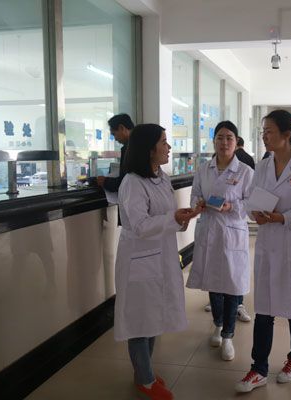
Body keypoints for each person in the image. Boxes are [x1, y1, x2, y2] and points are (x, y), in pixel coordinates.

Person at [235, 110, 291, 393]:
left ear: (287, 135)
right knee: (264, 308)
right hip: (268, 245)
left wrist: (283, 218)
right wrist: (255, 213)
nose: (264, 136)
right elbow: (251, 200)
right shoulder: (263, 166)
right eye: (263, 132)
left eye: (269, 131)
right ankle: (258, 368)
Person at [114, 123, 201, 400]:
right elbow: (140, 225)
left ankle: (144, 371)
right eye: (164, 142)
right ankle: (145, 380)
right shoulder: (132, 183)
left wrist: (180, 218)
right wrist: (172, 218)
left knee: (152, 317)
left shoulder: (161, 177)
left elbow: (164, 216)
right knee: (139, 321)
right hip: (139, 259)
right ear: (149, 149)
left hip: (160, 255)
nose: (169, 147)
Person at [187, 121, 254, 361]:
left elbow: (251, 204)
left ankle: (228, 336)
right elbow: (195, 194)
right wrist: (198, 204)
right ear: (214, 141)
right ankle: (217, 325)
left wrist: (231, 207)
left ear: (236, 142)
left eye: (229, 138)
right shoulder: (203, 169)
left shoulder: (245, 171)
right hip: (209, 231)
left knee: (232, 285)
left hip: (232, 233)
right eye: (220, 138)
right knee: (214, 284)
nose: (224, 142)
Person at [97, 113, 134, 191]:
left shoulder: (130, 148)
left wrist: (105, 181)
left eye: (114, 134)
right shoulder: (142, 144)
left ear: (121, 128)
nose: (115, 139)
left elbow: (125, 182)